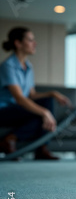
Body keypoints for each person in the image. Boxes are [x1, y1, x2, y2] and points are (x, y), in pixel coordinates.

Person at [0, 27, 71, 160]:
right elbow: (20, 98)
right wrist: (45, 112)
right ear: (18, 43)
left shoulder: (28, 66)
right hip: (4, 111)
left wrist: (53, 93)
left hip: (18, 110)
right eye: (30, 40)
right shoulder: (7, 66)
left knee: (47, 102)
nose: (35, 43)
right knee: (42, 113)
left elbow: (31, 95)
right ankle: (38, 147)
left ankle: (16, 140)